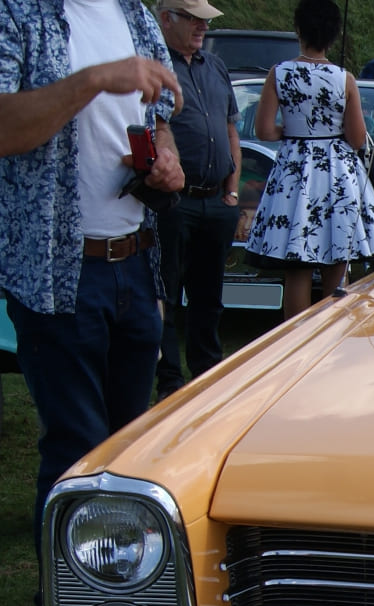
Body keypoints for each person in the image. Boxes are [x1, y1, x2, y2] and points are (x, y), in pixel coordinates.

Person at [0, 0, 185, 562]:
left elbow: (160, 120)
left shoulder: (133, 13)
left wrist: (167, 160)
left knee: (128, 457)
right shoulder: (20, 12)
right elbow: (6, 127)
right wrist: (100, 77)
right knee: (78, 456)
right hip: (59, 273)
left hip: (134, 263)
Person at [246, 0, 374, 320]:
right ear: (333, 36)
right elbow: (356, 139)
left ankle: (294, 344)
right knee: (338, 265)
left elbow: (265, 130)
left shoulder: (278, 73)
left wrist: (294, 131)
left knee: (297, 266)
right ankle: (334, 342)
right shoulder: (344, 78)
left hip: (294, 173)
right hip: (336, 174)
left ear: (298, 30)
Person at [153, 0, 241, 399]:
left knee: (209, 298)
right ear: (166, 19)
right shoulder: (156, 64)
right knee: (167, 294)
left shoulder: (215, 66)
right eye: (194, 18)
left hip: (214, 202)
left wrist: (232, 191)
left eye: (205, 20)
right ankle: (170, 382)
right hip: (175, 201)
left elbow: (230, 129)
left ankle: (206, 376)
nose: (202, 26)